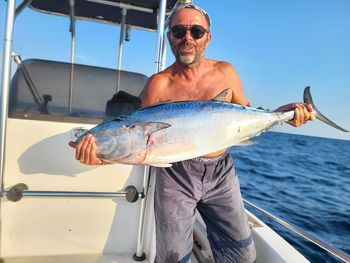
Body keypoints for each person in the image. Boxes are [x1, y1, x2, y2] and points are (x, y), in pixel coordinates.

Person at [70, 4, 315, 263]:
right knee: (173, 257)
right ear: (170, 37)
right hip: (175, 175)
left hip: (221, 174)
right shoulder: (158, 84)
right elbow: (141, 145)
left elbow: (247, 115)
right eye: (179, 31)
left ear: (207, 37)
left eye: (196, 31)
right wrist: (102, 155)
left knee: (242, 253)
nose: (187, 38)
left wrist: (282, 116)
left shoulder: (226, 72)